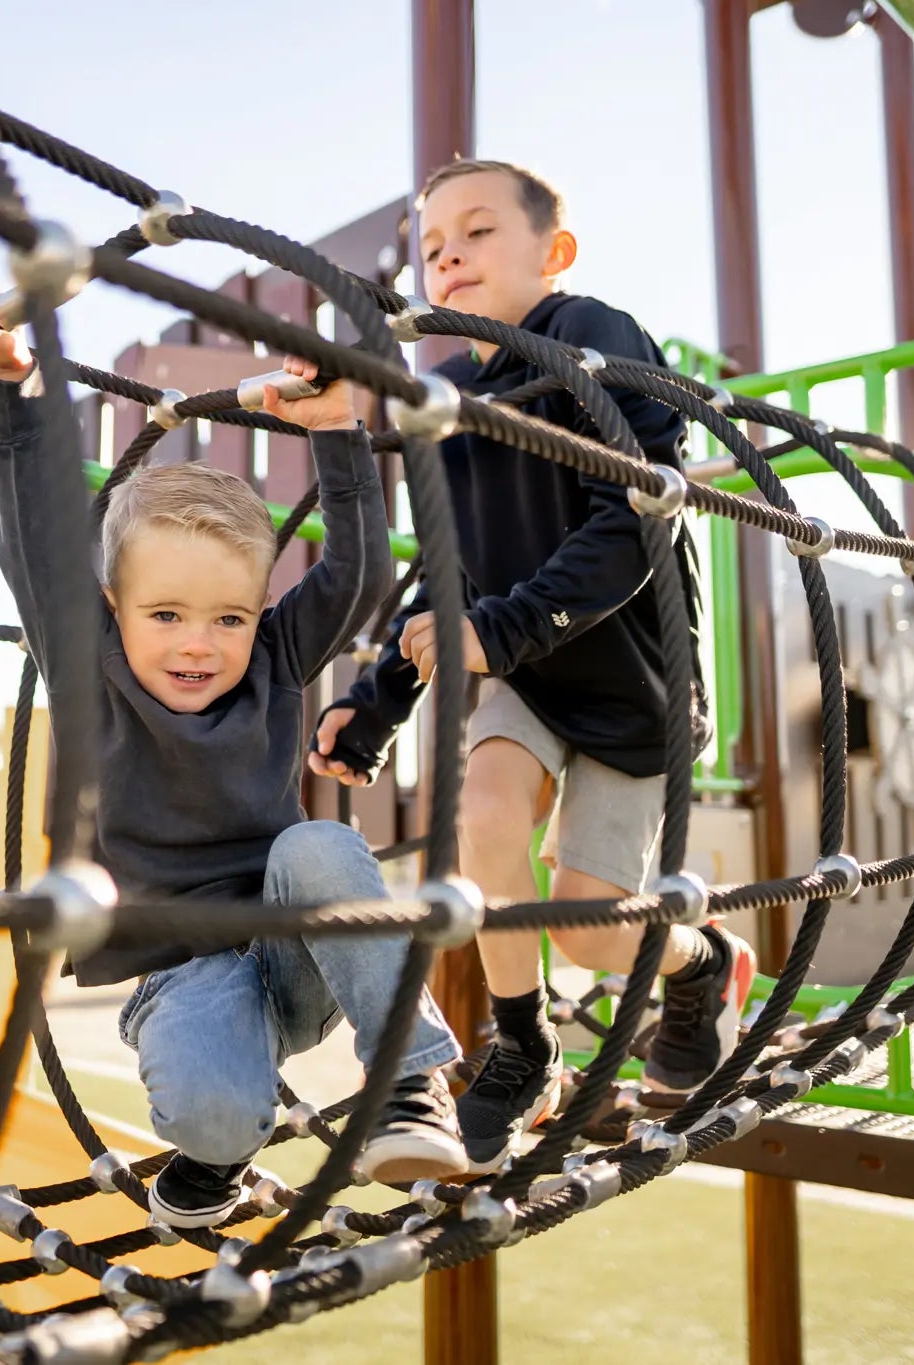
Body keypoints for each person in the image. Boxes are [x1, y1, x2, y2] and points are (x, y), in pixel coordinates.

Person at [0, 292, 467, 1228]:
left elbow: (355, 577)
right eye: (166, 615)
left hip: (293, 938)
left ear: (258, 610)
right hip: (184, 969)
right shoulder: (88, 661)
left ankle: (407, 1083)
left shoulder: (274, 655)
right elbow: (29, 534)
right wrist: (9, 382)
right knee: (218, 1116)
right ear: (112, 605)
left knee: (315, 844)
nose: (199, 644)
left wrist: (340, 431)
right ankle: (214, 1155)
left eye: (229, 616)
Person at [307, 160, 757, 1174]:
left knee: (593, 926)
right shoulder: (449, 398)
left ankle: (702, 965)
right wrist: (378, 701)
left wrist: (498, 629)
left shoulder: (591, 336)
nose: (447, 257)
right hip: (524, 668)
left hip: (628, 679)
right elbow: (445, 572)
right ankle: (520, 1040)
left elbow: (632, 514)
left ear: (550, 252)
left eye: (474, 232)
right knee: (484, 819)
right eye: (429, 249)